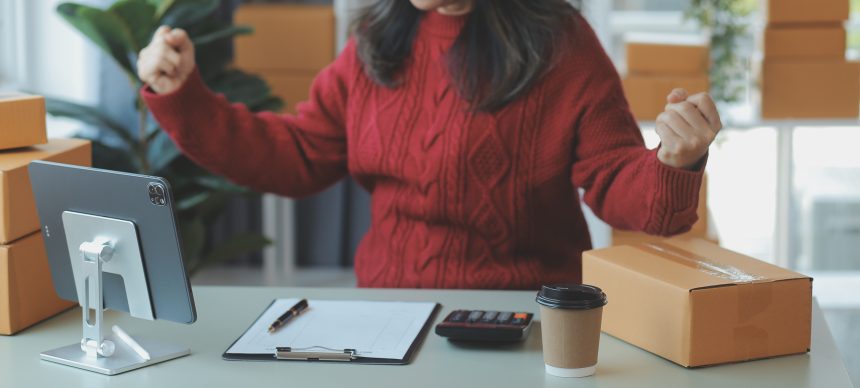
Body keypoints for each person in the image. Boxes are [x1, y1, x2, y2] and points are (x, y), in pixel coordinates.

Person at [137, 0, 721, 289]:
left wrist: (676, 161)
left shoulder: (559, 40)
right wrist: (185, 96)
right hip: (389, 316)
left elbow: (617, 180)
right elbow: (297, 156)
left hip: (523, 316)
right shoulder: (376, 37)